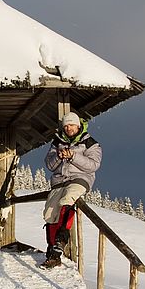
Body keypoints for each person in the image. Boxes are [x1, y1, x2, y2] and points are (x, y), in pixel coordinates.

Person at [41, 111, 101, 268]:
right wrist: (59, 157)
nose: (69, 128)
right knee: (49, 213)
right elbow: (49, 164)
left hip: (80, 179)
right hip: (59, 181)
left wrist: (73, 156)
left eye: (71, 125)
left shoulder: (90, 143)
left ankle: (60, 242)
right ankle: (51, 249)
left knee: (68, 199)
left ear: (78, 125)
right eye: (66, 126)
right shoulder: (57, 142)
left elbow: (93, 165)